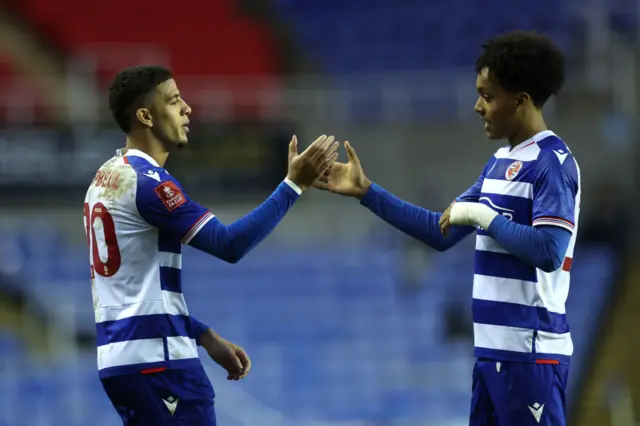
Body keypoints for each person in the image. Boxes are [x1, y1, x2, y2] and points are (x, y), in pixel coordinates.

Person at [316, 31, 579, 425]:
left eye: (487, 96)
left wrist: (484, 217)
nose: (477, 106)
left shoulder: (552, 162)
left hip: (530, 354)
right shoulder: (498, 162)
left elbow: (549, 251)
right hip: (491, 353)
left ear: (521, 100)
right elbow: (442, 231)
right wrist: (366, 192)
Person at [84, 65, 338, 425]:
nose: (187, 108)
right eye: (173, 101)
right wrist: (293, 184)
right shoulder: (150, 183)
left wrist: (203, 334)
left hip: (121, 364)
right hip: (161, 363)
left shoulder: (103, 179)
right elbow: (228, 243)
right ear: (145, 116)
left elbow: (133, 295)